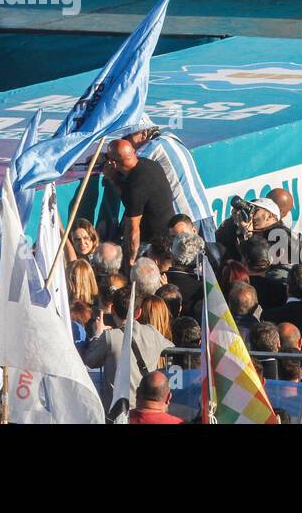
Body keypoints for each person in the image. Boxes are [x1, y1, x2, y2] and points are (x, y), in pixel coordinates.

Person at [82, 286, 172, 408]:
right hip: (145, 407)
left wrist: (97, 335)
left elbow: (89, 360)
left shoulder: (110, 337)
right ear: (139, 313)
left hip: (118, 411)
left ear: (112, 309)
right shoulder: (152, 332)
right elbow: (174, 350)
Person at [104, 138, 175, 267]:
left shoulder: (135, 187)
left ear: (113, 163)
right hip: (167, 233)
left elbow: (133, 230)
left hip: (152, 242)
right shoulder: (149, 164)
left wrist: (131, 260)